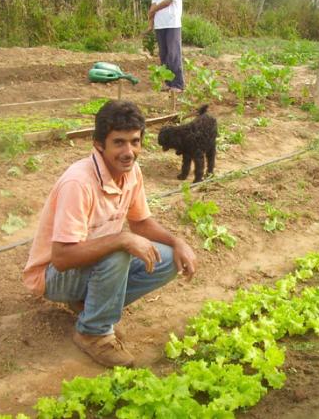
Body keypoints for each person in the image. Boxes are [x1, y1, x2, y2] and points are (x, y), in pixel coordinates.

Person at [23, 100, 197, 367]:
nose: (129, 152)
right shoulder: (78, 183)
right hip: (53, 276)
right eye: (119, 142)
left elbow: (140, 223)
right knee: (119, 252)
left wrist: (178, 241)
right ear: (98, 144)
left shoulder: (131, 172)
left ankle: (91, 307)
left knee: (167, 259)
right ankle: (92, 333)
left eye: (135, 141)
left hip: (91, 265)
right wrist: (122, 239)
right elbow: (60, 258)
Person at [148, 0, 184, 92]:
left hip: (172, 23)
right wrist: (150, 22)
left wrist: (152, 10)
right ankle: (168, 83)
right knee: (163, 55)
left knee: (173, 54)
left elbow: (167, 2)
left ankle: (178, 85)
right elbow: (154, 3)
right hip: (160, 24)